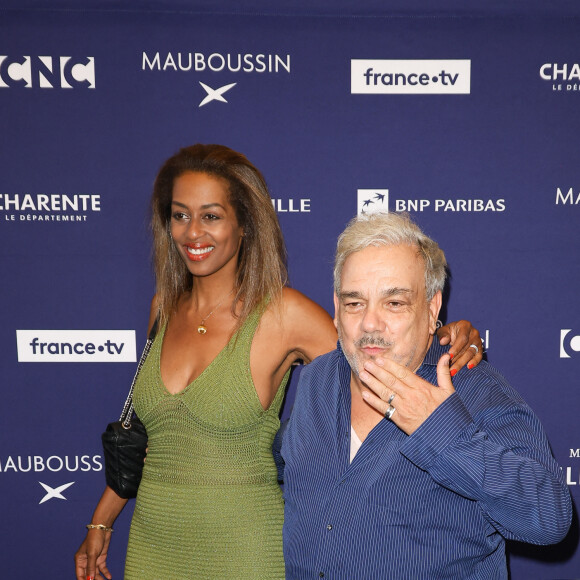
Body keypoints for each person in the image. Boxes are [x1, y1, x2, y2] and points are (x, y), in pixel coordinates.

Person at [74, 145, 481, 580]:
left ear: (244, 223)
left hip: (245, 549)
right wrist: (102, 521)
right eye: (180, 215)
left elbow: (374, 350)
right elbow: (152, 440)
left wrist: (440, 332)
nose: (193, 232)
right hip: (153, 545)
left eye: (211, 216)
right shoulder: (162, 309)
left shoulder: (283, 314)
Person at [280, 212, 572, 579]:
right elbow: (285, 461)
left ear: (432, 308)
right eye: (355, 303)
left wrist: (440, 431)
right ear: (336, 310)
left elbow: (549, 517)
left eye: (394, 303)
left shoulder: (476, 391)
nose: (370, 323)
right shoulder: (319, 379)